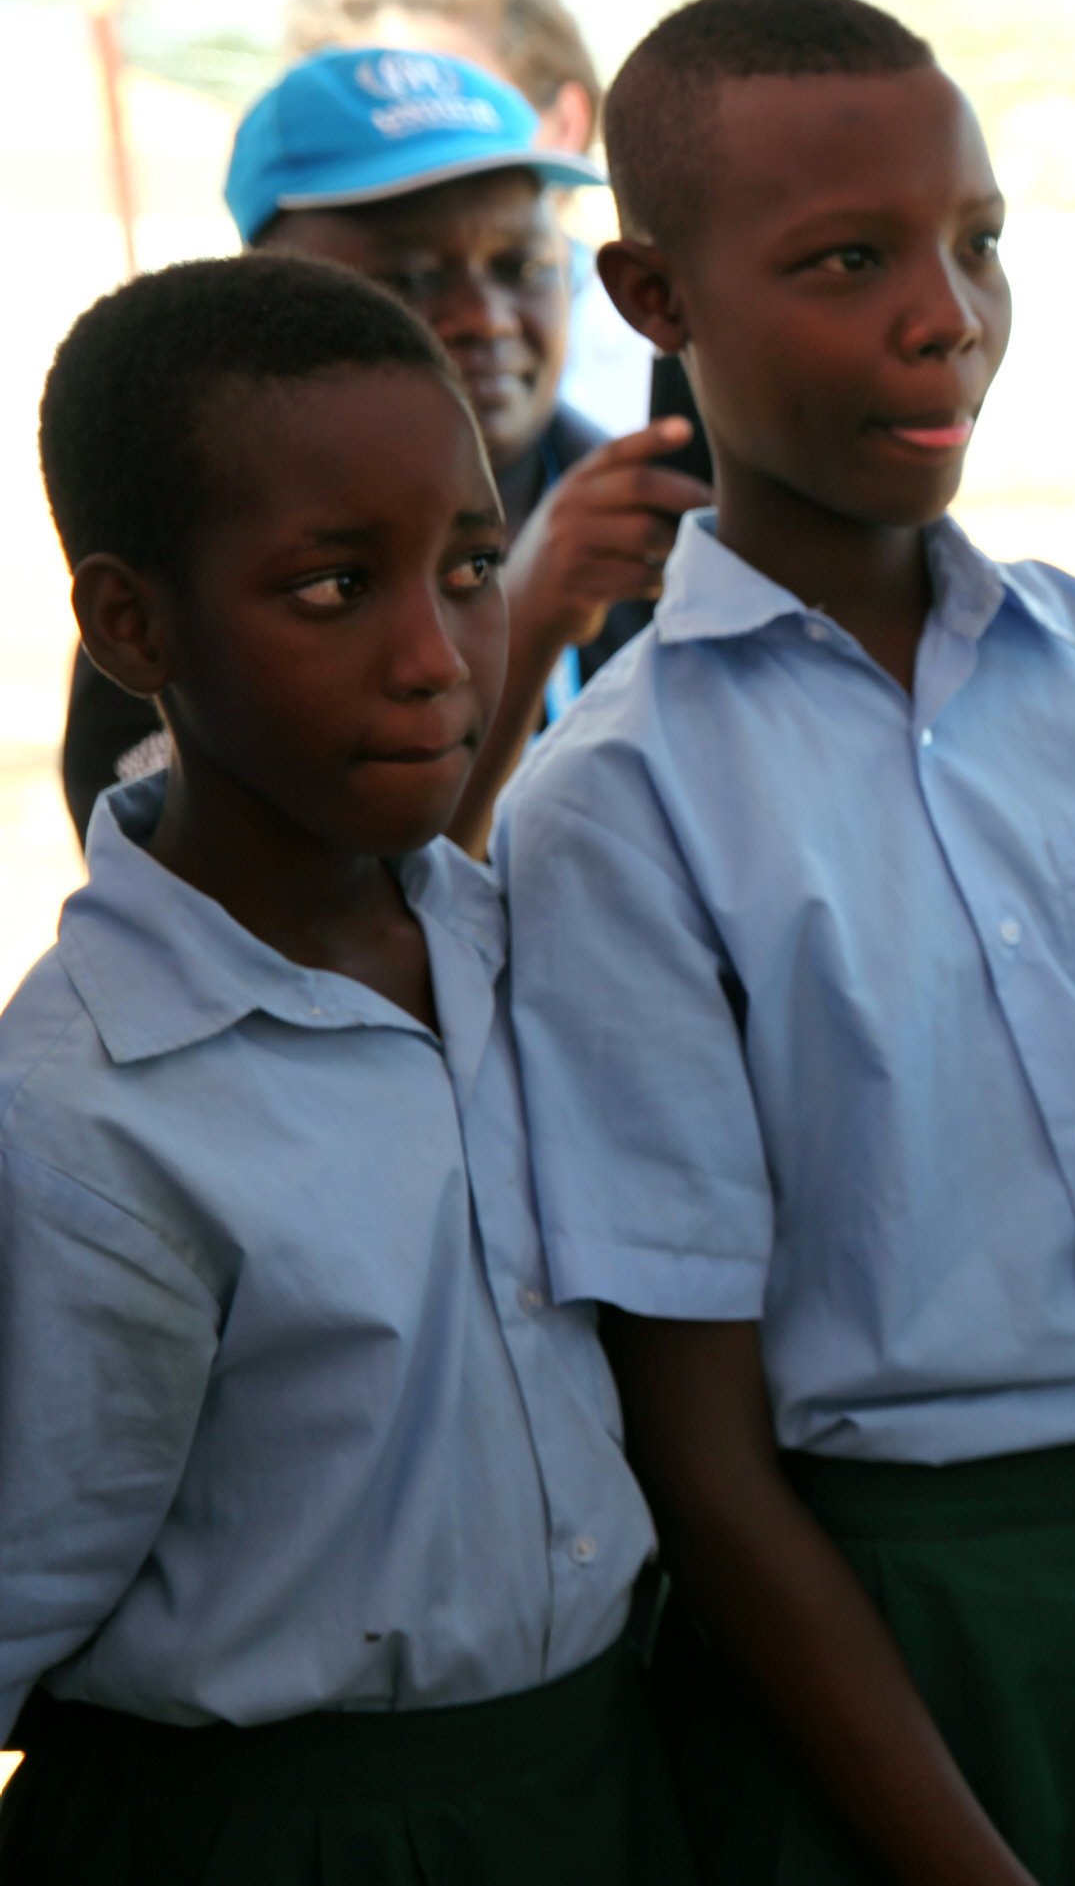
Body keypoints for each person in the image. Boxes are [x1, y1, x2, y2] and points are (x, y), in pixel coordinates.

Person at [496, 0, 1075, 1886]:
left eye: (980, 243)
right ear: (652, 301)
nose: (946, 315)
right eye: (847, 259)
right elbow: (703, 1461)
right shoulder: (620, 804)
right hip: (870, 1657)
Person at [0, 255, 676, 1882]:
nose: (437, 657)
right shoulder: (95, 1114)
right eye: (330, 587)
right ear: (130, 622)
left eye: (468, 567)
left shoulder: (533, 953)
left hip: (603, 1783)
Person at [60, 47, 708, 853]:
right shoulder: (202, 586)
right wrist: (530, 611)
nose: (488, 315)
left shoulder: (661, 520)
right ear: (266, 283)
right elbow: (273, 914)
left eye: (523, 265)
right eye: (412, 276)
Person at [283, 0, 658, 433]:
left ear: (565, 125)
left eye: (454, 94)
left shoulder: (673, 350)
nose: (484, 317)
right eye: (355, 103)